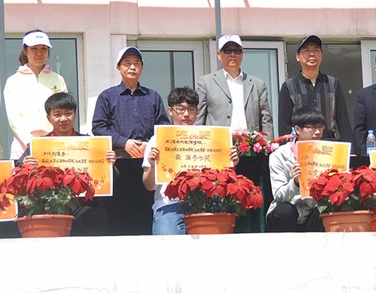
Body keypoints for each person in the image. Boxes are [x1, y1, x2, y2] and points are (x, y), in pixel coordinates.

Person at [142, 87, 239, 235]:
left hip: (207, 203)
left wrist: (231, 163)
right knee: (167, 244)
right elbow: (149, 186)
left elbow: (223, 179)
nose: (186, 114)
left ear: (197, 111)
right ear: (170, 110)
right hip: (170, 204)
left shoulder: (211, 138)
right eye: (180, 109)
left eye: (191, 109)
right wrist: (153, 165)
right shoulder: (157, 140)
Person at [17, 92, 116, 236]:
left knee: (97, 215)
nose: (63, 119)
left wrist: (109, 164)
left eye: (68, 113)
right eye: (57, 114)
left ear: (75, 115)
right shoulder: (38, 145)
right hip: (49, 207)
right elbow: (18, 175)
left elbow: (110, 178)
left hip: (83, 206)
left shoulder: (90, 143)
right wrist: (25, 165)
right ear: (49, 117)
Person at [91, 46, 171, 159]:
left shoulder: (153, 96)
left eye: (136, 63)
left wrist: (149, 145)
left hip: (148, 159)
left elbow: (164, 127)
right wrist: (123, 142)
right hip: (118, 159)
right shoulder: (107, 96)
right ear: (118, 67)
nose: (132, 67)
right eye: (127, 63)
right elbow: (99, 128)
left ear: (142, 68)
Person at [4, 29, 69, 160]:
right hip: (23, 147)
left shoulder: (58, 79)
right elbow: (14, 118)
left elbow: (65, 111)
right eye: (34, 49)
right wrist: (29, 142)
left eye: (43, 49)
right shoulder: (13, 81)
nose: (39, 53)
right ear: (25, 50)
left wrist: (53, 138)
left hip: (53, 145)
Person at [195, 34, 274, 138]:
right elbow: (199, 117)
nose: (232, 54)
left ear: (242, 54)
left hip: (250, 144)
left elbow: (266, 120)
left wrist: (267, 143)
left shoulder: (257, 84)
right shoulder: (206, 83)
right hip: (218, 143)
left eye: (237, 51)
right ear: (219, 55)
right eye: (227, 51)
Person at [277, 35, 351, 142]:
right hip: (301, 145)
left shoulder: (333, 83)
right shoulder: (289, 86)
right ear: (297, 56)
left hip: (328, 142)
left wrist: (350, 148)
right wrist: (285, 148)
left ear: (321, 56)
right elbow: (284, 124)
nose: (312, 54)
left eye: (316, 50)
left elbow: (343, 120)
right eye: (306, 50)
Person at [266, 105, 326, 233]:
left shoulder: (327, 153)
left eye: (321, 127)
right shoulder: (279, 155)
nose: (317, 132)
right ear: (298, 129)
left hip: (313, 210)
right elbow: (279, 196)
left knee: (324, 210)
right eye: (312, 127)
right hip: (287, 211)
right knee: (284, 211)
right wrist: (295, 182)